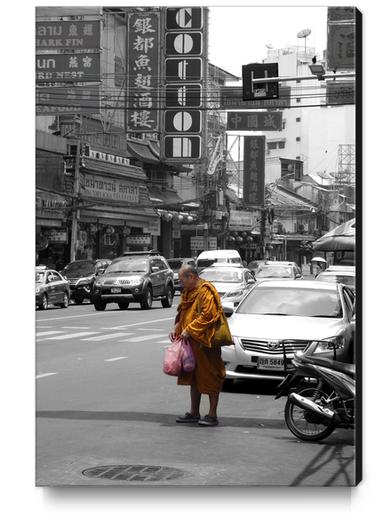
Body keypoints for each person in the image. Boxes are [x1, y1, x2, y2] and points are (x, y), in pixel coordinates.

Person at [169, 264, 226, 427]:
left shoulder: (205, 291)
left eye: (182, 280)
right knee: (193, 377)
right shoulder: (188, 292)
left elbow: (208, 315)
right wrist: (177, 329)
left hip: (205, 342)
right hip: (190, 342)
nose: (181, 284)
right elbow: (184, 312)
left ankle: (212, 414)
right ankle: (194, 412)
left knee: (210, 375)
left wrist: (190, 329)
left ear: (192, 277)